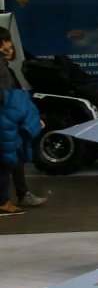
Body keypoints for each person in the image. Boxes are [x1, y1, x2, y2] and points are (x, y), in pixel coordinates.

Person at [0, 27, 46, 208]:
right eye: (4, 44)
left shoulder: (7, 69)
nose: (9, 48)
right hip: (6, 122)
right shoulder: (3, 70)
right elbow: (10, 97)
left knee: (14, 158)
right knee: (7, 162)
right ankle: (5, 201)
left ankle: (19, 195)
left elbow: (18, 97)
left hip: (11, 121)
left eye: (10, 45)